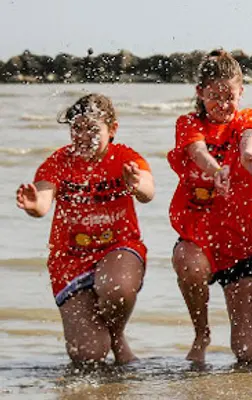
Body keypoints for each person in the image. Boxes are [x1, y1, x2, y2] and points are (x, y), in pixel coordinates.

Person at [16, 94, 153, 365]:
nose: (83, 135)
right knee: (88, 356)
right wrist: (34, 205)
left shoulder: (125, 157)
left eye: (92, 129)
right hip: (71, 258)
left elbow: (148, 191)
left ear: (112, 129)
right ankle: (106, 340)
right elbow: (43, 203)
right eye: (76, 128)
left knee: (116, 288)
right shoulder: (58, 162)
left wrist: (136, 184)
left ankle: (116, 335)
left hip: (118, 248)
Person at [168, 50, 252, 366]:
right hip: (198, 237)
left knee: (251, 354)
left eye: (230, 96)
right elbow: (197, 150)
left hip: (240, 243)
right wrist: (216, 171)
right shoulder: (188, 123)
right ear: (200, 93)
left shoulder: (249, 118)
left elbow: (249, 138)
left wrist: (247, 156)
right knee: (188, 263)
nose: (223, 104)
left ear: (241, 92)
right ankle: (202, 333)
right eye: (214, 96)